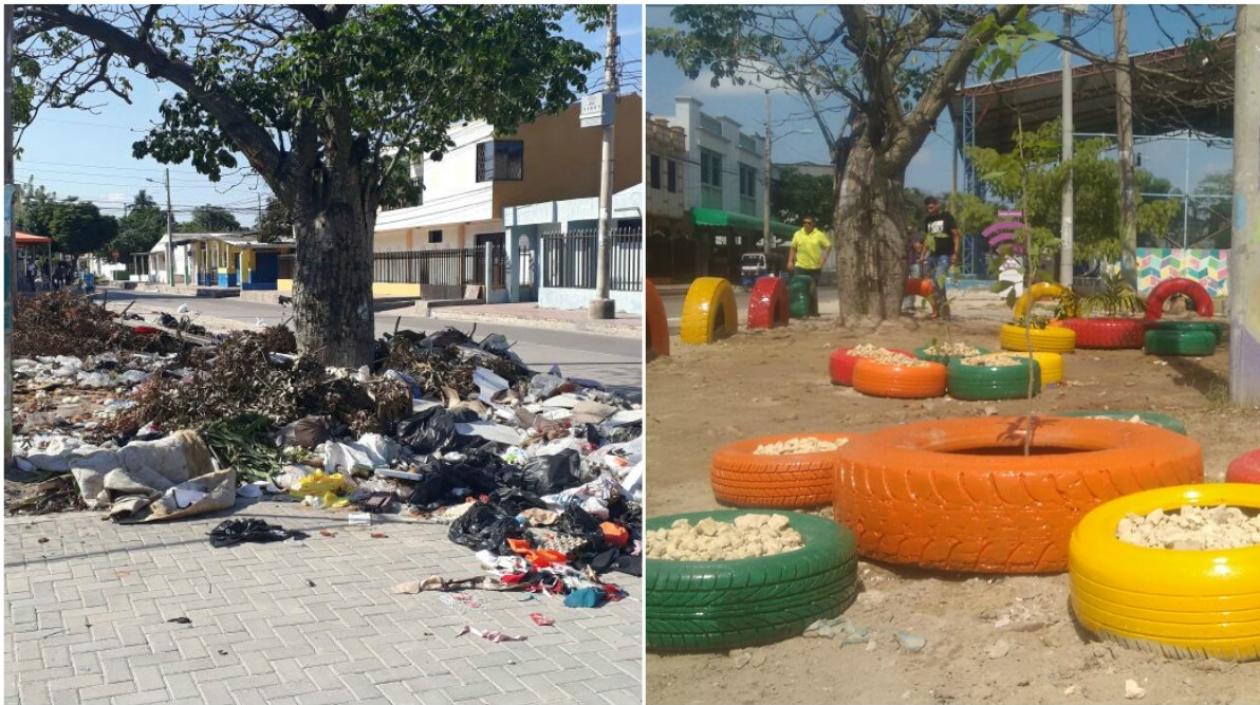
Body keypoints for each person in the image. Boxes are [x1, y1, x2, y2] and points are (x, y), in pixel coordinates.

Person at [923, 196, 961, 318]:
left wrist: (955, 253)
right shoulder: (927, 220)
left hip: (945, 255)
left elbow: (956, 235)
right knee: (933, 284)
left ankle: (944, 312)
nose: (930, 207)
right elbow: (927, 239)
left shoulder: (946, 216)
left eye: (932, 205)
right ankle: (940, 311)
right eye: (928, 206)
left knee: (939, 280)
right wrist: (922, 255)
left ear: (937, 205)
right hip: (932, 256)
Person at [786, 215, 831, 286]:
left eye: (809, 223)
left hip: (815, 267)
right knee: (799, 286)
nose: (806, 225)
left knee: (812, 289)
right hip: (800, 266)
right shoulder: (798, 234)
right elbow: (793, 248)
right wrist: (790, 261)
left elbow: (828, 246)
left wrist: (823, 258)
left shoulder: (819, 234)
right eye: (804, 223)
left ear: (813, 224)